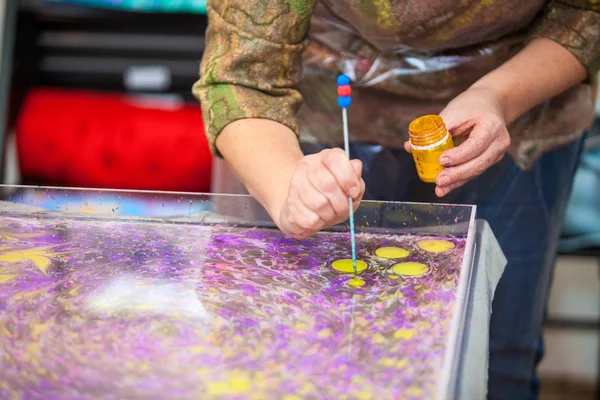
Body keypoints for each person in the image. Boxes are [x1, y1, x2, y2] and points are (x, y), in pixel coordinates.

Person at [194, 1, 599, 398]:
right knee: (321, 348)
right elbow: (243, 75)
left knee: (491, 346)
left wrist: (497, 95)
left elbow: (585, 15)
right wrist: (287, 185)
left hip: (519, 108)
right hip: (323, 117)